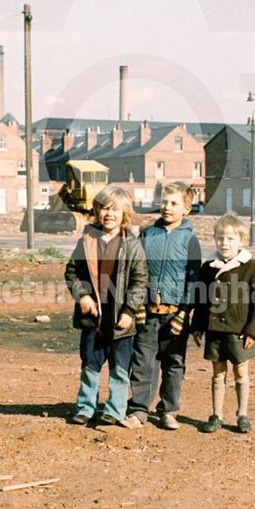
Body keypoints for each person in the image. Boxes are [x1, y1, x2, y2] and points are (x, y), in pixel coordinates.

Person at [63, 185, 148, 427]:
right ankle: (85, 407)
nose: (108, 214)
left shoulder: (132, 245)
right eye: (103, 208)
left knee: (120, 367)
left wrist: (130, 311)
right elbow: (72, 272)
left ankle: (114, 410)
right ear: (96, 211)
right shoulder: (87, 241)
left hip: (120, 318)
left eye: (115, 210)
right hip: (93, 318)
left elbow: (140, 281)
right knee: (90, 363)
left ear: (125, 214)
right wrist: (83, 296)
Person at [124, 182, 202, 430]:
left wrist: (184, 311)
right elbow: (137, 271)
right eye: (164, 202)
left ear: (186, 209)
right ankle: (138, 409)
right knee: (143, 361)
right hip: (147, 312)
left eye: (174, 203)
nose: (167, 207)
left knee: (174, 362)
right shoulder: (148, 235)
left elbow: (194, 278)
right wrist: (136, 304)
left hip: (175, 315)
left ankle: (168, 410)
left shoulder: (190, 240)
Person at [191, 212, 255, 434]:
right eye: (220, 238)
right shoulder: (208, 268)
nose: (225, 243)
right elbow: (201, 300)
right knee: (218, 372)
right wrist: (197, 327)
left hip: (239, 331)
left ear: (241, 241)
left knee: (240, 372)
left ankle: (242, 414)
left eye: (231, 239)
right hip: (215, 330)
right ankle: (217, 415)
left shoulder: (251, 267)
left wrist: (252, 330)